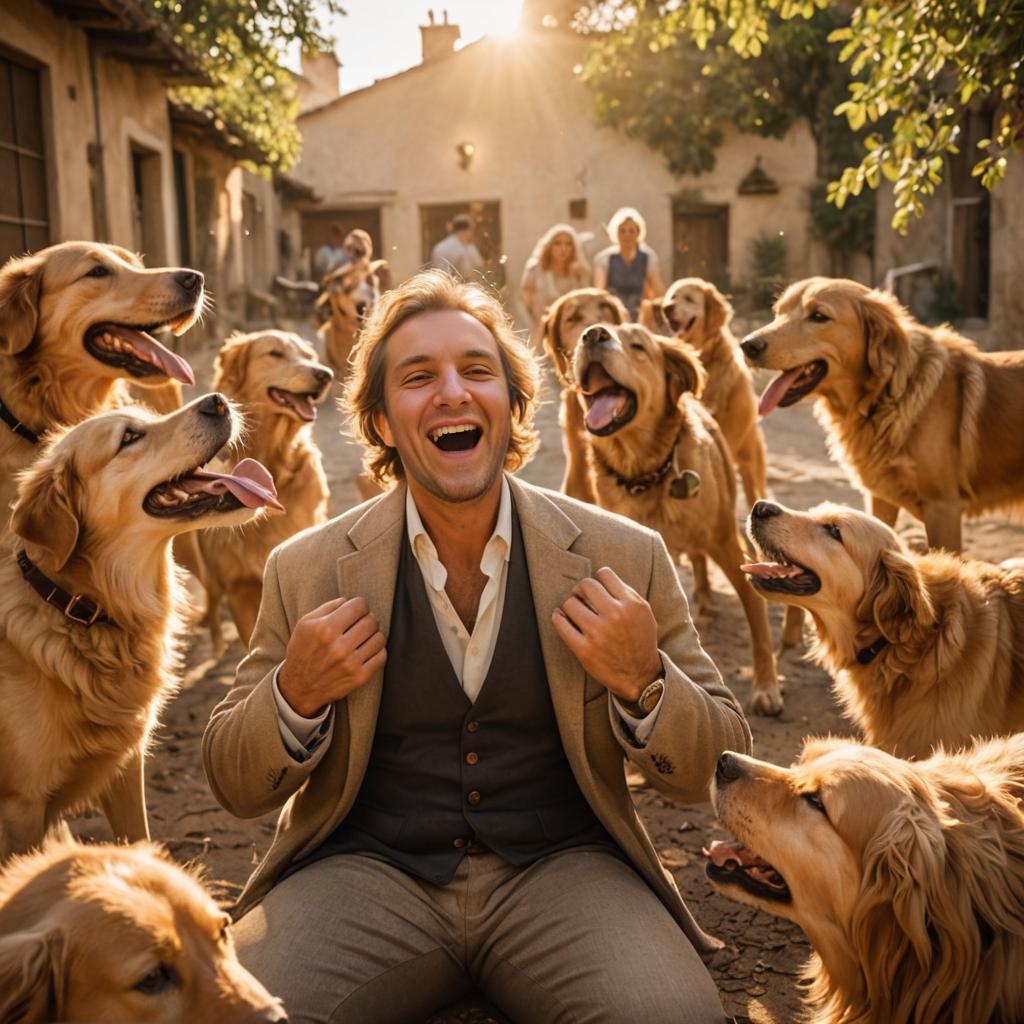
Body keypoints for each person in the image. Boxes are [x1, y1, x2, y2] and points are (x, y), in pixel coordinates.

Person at [203, 270, 750, 1024]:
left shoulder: (626, 555)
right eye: (419, 376)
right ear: (384, 423)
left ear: (514, 405)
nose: (453, 393)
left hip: (568, 874)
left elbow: (713, 762)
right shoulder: (303, 568)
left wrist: (645, 681)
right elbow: (234, 781)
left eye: (478, 371)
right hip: (363, 876)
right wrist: (293, 694)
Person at [519, 223, 591, 348]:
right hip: (540, 330)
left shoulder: (579, 271)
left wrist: (580, 276)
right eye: (558, 243)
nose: (563, 248)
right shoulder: (534, 269)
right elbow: (526, 302)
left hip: (570, 333)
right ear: (550, 246)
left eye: (568, 244)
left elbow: (585, 303)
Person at [593, 206, 666, 319]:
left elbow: (657, 292)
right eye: (622, 231)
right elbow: (600, 293)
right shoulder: (604, 259)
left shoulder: (649, 258)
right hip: (613, 316)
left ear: (638, 233)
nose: (627, 235)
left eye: (632, 231)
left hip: (640, 316)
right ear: (615, 233)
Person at [429, 213, 486, 280]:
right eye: (472, 230)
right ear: (466, 231)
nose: (473, 233)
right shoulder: (443, 248)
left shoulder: (469, 246)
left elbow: (479, 265)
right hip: (451, 285)